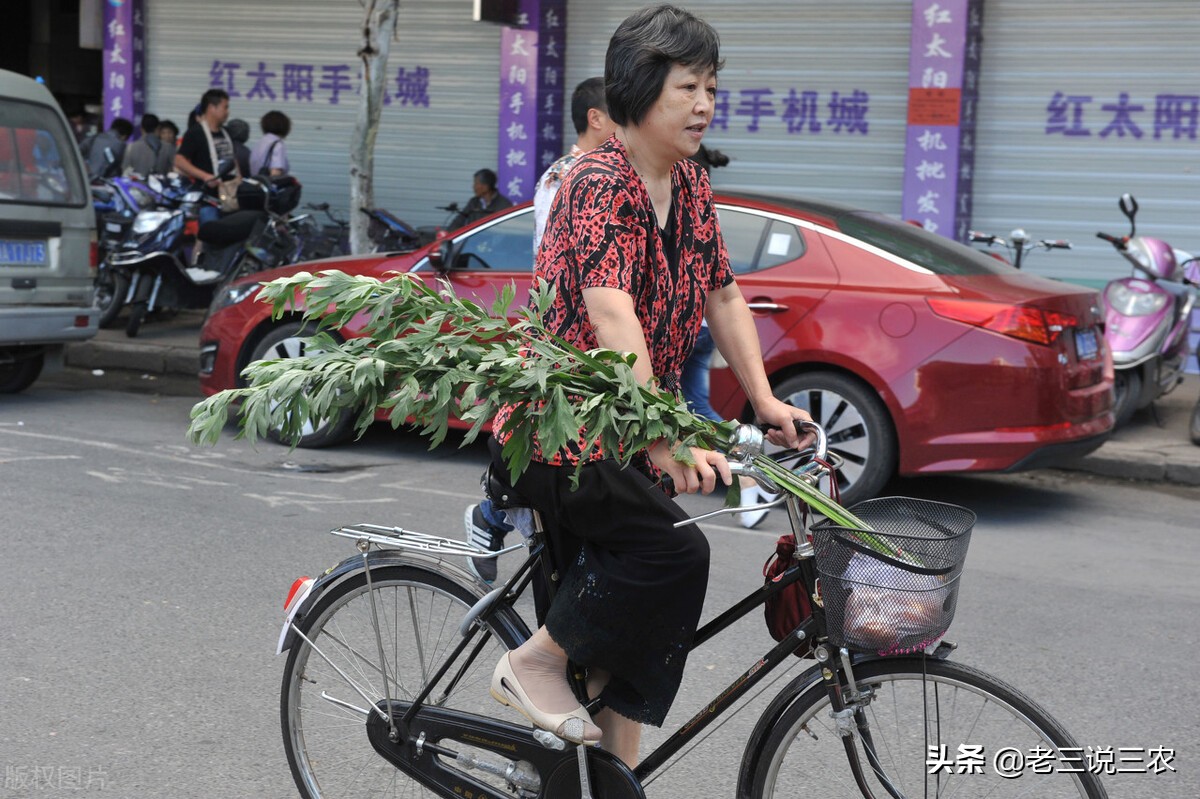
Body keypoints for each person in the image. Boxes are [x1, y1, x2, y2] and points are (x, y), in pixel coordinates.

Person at [484, 4, 811, 765]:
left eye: (711, 88)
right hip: (558, 429)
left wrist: (762, 399)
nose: (704, 105)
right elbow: (611, 315)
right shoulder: (599, 183)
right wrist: (661, 437)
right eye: (687, 87)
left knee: (619, 649)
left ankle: (611, 777)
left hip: (620, 427)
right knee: (673, 555)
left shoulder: (689, 185)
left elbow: (723, 293)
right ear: (639, 91)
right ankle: (531, 661)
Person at [462, 77, 617, 584]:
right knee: (551, 454)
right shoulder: (566, 178)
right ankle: (493, 517)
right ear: (595, 117)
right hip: (563, 335)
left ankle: (524, 541)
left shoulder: (611, 173)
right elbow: (565, 267)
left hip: (588, 339)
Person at [679, 322, 774, 527]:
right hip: (704, 324)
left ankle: (749, 474)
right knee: (697, 407)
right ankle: (751, 469)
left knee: (689, 409)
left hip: (681, 323)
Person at [174, 88, 235, 225]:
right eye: (225, 107)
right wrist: (205, 176)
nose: (227, 112)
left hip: (229, 197)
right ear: (212, 108)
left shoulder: (226, 132)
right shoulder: (195, 133)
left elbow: (233, 158)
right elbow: (179, 160)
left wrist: (239, 178)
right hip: (208, 198)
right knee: (211, 234)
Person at [249, 110, 291, 177]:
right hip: (268, 185)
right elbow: (275, 173)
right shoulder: (277, 144)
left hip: (256, 184)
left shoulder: (259, 143)